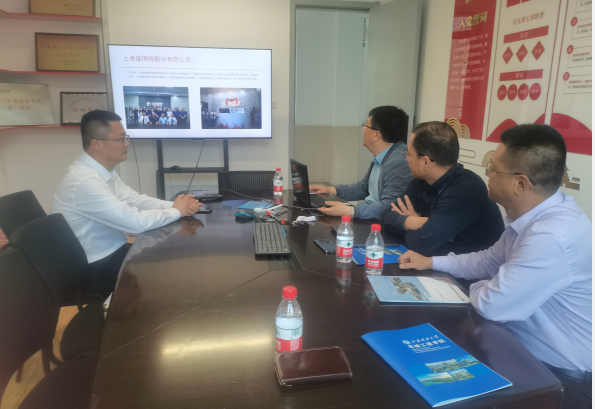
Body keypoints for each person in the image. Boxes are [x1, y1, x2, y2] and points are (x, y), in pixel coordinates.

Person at [398, 124, 591, 409]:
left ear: (520, 184)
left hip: (557, 378)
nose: (486, 174)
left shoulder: (551, 236)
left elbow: (493, 305)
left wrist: (483, 284)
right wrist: (431, 262)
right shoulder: (534, 218)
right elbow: (489, 260)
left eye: (493, 168)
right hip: (514, 347)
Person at [51, 110, 202, 292]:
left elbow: (134, 200)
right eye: (121, 138)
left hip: (113, 252)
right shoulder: (83, 181)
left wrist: (177, 206)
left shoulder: (101, 172)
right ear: (97, 144)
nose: (127, 143)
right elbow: (134, 223)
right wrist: (177, 211)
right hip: (93, 268)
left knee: (171, 262)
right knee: (168, 275)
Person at [381, 121, 504, 256]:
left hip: (468, 267)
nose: (407, 159)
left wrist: (409, 226)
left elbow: (420, 244)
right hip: (433, 261)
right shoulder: (420, 182)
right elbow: (387, 216)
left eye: (409, 154)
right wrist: (415, 221)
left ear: (425, 161)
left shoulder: (465, 190)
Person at [310, 106, 412, 220]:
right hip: (372, 217)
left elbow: (390, 206)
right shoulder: (383, 156)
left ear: (376, 134)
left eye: (365, 126)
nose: (363, 130)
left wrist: (351, 211)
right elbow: (364, 188)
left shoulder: (400, 161)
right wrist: (332, 190)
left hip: (382, 223)